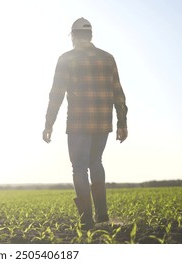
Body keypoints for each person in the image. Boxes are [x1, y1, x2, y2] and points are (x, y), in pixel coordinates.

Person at [43, 17, 128, 230]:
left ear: (73, 36)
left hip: (78, 121)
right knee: (96, 162)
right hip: (102, 121)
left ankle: (86, 220)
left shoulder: (66, 59)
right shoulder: (107, 58)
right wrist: (122, 122)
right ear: (90, 36)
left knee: (79, 167)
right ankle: (102, 214)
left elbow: (56, 94)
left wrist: (48, 123)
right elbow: (118, 93)